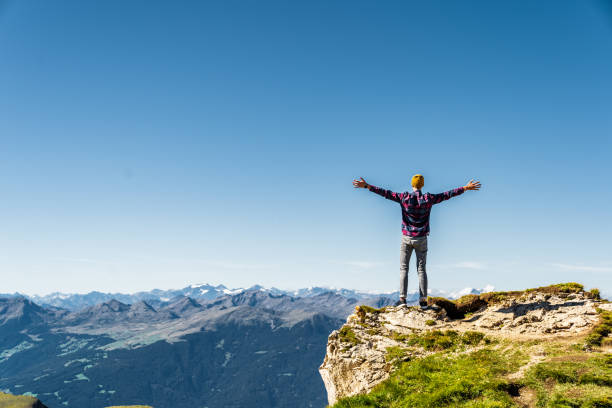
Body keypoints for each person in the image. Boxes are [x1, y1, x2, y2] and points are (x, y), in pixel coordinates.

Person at [352, 174, 481, 308]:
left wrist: (367, 186)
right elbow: (447, 194)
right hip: (422, 238)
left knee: (404, 268)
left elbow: (385, 193)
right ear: (422, 185)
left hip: (406, 238)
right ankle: (423, 301)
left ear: (412, 184)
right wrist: (465, 188)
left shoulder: (404, 197)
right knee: (421, 269)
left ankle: (402, 300)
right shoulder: (429, 199)